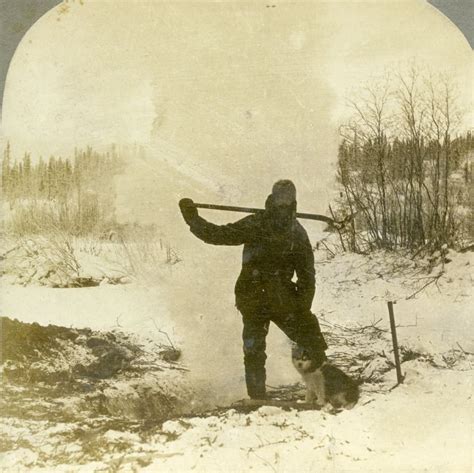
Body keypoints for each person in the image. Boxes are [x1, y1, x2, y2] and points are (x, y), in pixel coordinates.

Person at [179, 180, 328, 400]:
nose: (283, 205)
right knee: (254, 350)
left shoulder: (297, 234)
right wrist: (192, 218)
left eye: (287, 201)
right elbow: (218, 235)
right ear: (272, 199)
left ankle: (326, 388)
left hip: (282, 299)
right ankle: (257, 398)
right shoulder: (257, 224)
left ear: (294, 203)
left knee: (311, 339)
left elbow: (308, 276)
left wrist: (302, 308)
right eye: (280, 199)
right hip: (253, 297)